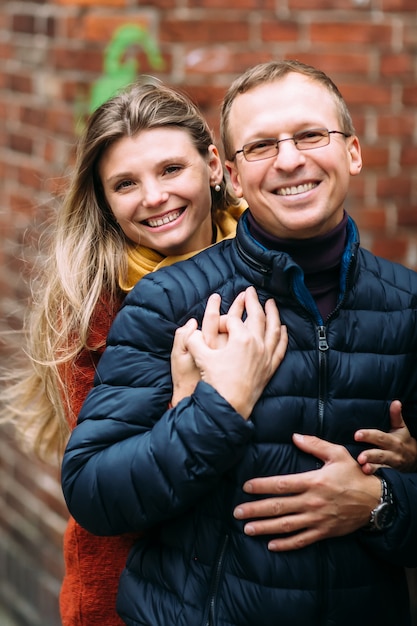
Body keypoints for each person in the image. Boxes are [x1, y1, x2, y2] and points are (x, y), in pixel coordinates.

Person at [61, 59, 417, 625]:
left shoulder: (406, 303)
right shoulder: (164, 300)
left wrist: (384, 503)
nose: (290, 159)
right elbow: (92, 492)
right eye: (261, 146)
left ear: (352, 151)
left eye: (309, 135)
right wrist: (217, 405)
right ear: (232, 170)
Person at [1, 80, 252, 626]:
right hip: (124, 592)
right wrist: (184, 402)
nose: (153, 197)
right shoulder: (93, 306)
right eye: (125, 184)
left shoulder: (274, 265)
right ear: (106, 202)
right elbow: (112, 490)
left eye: (169, 169)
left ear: (213, 166)